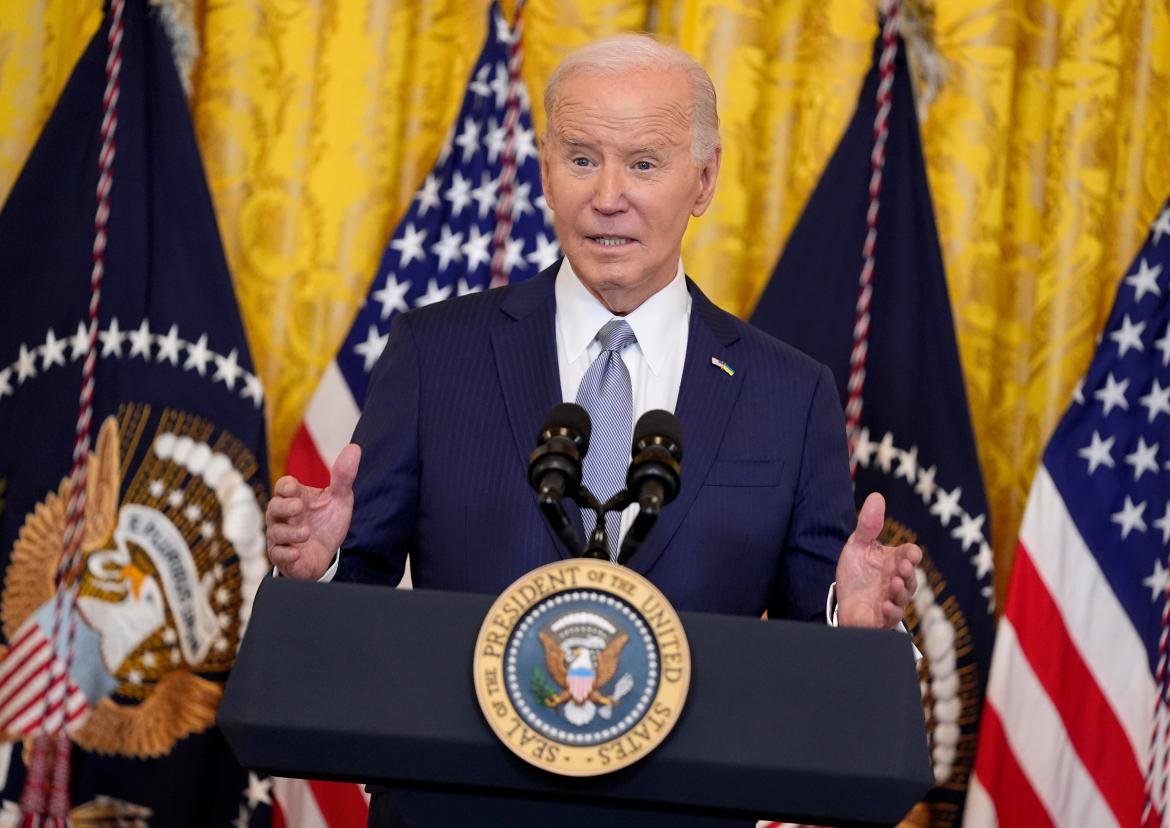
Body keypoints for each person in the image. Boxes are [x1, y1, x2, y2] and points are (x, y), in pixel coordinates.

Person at [267, 35, 920, 631]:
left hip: (691, 760)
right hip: (466, 759)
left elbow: (812, 634)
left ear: (705, 178)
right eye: (582, 159)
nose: (608, 197)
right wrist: (317, 571)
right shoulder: (433, 356)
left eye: (643, 164)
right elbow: (355, 603)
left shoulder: (791, 396)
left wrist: (851, 618)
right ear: (546, 171)